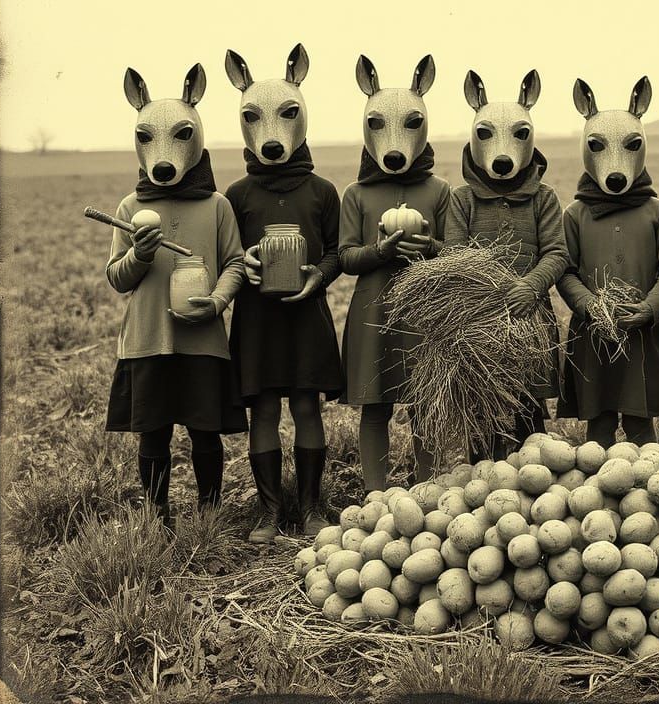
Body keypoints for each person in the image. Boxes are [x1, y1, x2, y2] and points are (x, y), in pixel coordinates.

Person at [105, 64, 246, 528]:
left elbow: (235, 263)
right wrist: (140, 256)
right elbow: (118, 278)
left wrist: (219, 300)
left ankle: (209, 515)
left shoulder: (217, 205)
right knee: (154, 437)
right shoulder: (130, 208)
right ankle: (157, 517)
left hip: (203, 339)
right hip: (148, 340)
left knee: (206, 435)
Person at [223, 45, 344, 543]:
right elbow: (228, 255)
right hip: (257, 316)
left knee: (307, 408)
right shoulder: (236, 195)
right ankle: (269, 511)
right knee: (266, 410)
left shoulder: (322, 191)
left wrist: (319, 275)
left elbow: (337, 251)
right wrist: (246, 262)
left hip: (305, 313)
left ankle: (312, 507)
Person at [339, 54, 449, 492]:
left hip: (426, 314)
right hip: (374, 311)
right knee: (375, 406)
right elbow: (346, 258)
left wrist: (430, 249)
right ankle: (375, 496)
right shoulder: (356, 194)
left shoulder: (440, 191)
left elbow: (455, 253)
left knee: (426, 403)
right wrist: (379, 252)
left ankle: (427, 491)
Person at [446, 69, 568, 460]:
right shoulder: (462, 199)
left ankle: (536, 492)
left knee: (530, 411)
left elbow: (557, 253)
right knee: (482, 408)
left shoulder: (543, 198)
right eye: (486, 134)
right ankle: (483, 488)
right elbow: (454, 256)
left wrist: (531, 286)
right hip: (478, 324)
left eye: (518, 134)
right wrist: (487, 295)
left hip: (529, 318)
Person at [557, 77, 659, 448]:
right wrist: (589, 306)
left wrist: (648, 309)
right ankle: (597, 494)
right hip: (592, 335)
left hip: (642, 333)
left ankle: (649, 490)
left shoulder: (657, 211)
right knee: (598, 426)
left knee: (641, 424)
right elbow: (565, 270)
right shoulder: (575, 214)